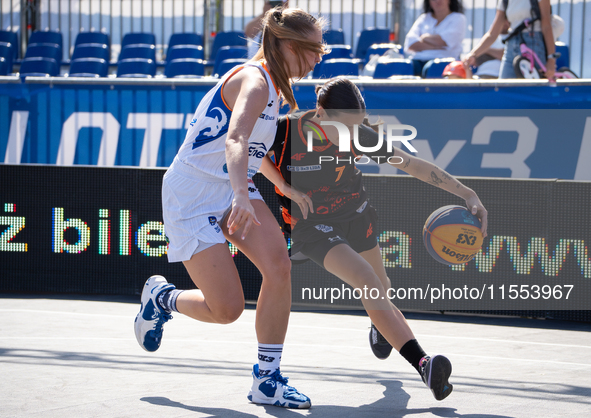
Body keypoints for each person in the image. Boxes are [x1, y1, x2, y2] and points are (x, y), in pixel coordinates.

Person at [134, 7, 325, 409]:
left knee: (279, 266)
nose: (318, 59)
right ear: (289, 46)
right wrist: (242, 193)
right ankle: (162, 297)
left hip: (232, 185)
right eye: (314, 50)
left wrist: (283, 186)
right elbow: (235, 139)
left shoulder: (275, 85)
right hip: (193, 192)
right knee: (227, 310)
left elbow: (254, 150)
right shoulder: (255, 81)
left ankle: (267, 380)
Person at [259, 77, 488, 401]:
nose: (353, 134)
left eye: (357, 125)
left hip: (355, 213)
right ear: (321, 113)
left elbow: (411, 165)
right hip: (309, 223)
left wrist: (467, 193)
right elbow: (252, 153)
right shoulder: (284, 132)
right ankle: (423, 363)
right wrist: (284, 186)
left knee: (382, 288)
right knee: (368, 282)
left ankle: (380, 325)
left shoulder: (360, 135)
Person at [463, 0, 557, 79]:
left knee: (532, 91)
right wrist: (473, 54)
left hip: (533, 44)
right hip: (511, 46)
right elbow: (492, 33)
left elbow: (546, 26)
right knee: (504, 89)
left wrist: (551, 59)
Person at [403, 0, 466, 77]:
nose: (438, 1)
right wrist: (435, 46)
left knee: (431, 68)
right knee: (402, 67)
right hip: (417, 61)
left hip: (444, 64)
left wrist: (424, 37)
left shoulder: (458, 18)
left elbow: (444, 41)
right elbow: (410, 43)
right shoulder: (423, 18)